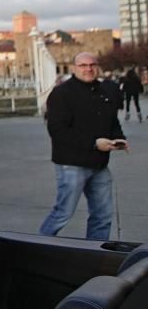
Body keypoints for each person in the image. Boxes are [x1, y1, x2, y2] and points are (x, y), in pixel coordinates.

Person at [39, 52, 127, 241]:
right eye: (83, 65)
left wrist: (119, 138)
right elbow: (57, 130)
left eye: (92, 65)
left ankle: (94, 253)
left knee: (102, 216)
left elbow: (112, 121)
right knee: (63, 213)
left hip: (100, 165)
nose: (88, 69)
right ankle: (35, 246)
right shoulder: (62, 93)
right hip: (71, 164)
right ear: (74, 68)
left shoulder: (105, 90)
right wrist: (94, 144)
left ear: (97, 67)